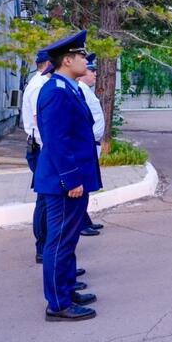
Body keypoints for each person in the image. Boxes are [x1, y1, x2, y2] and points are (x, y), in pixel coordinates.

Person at [35, 30, 100, 321]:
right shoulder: (55, 92)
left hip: (72, 178)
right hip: (65, 181)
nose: (86, 59)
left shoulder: (69, 87)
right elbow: (57, 140)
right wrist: (72, 179)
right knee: (59, 241)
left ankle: (67, 286)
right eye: (82, 55)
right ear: (67, 59)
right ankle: (58, 303)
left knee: (68, 239)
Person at [22, 49, 51, 264]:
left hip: (39, 146)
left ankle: (46, 247)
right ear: (48, 63)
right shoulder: (39, 86)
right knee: (44, 198)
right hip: (41, 147)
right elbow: (40, 123)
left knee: (46, 197)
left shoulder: (38, 83)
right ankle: (42, 247)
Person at [77, 54, 105, 237]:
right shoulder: (80, 89)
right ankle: (80, 223)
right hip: (86, 144)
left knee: (86, 187)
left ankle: (84, 219)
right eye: (92, 70)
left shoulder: (85, 89)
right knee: (83, 187)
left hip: (92, 143)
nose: (95, 74)